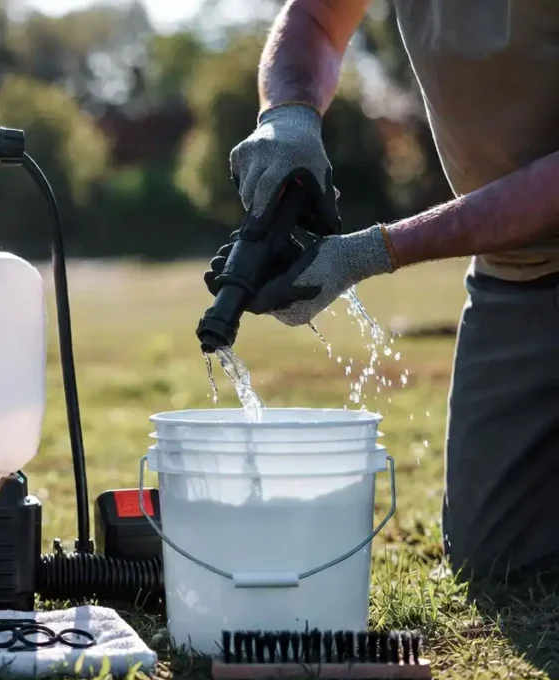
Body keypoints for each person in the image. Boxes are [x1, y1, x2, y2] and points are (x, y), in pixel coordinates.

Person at [207, 0, 559, 583]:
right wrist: (287, 115)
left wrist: (377, 250)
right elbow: (317, 20)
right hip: (516, 273)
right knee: (493, 557)